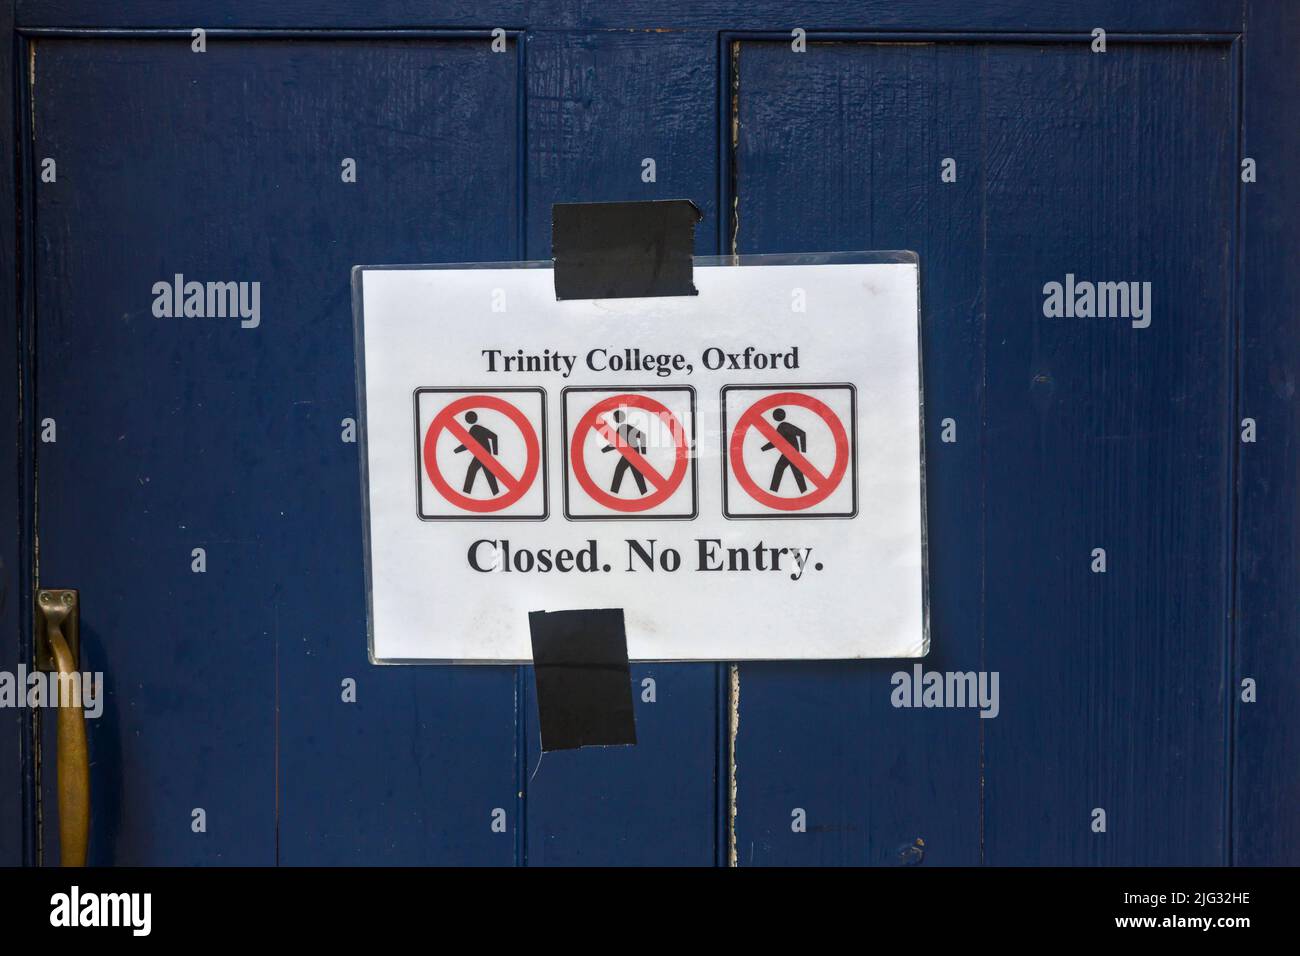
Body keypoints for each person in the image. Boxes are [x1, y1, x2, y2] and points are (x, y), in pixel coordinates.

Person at [602, 409, 649, 495]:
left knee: (619, 470)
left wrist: (643, 451)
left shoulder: (624, 427)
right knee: (636, 473)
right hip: (631, 453)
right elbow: (616, 443)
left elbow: (642, 435)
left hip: (631, 453)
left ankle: (614, 492)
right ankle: (644, 492)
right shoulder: (623, 427)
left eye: (615, 417)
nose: (614, 418)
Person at [454, 410, 501, 495]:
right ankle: (496, 493)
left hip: (482, 455)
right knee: (488, 473)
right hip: (483, 455)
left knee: (472, 470)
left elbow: (468, 444)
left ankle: (466, 492)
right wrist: (494, 453)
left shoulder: (474, 429)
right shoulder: (476, 428)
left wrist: (456, 451)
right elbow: (494, 436)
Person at [761, 408, 807, 493]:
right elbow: (776, 442)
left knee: (780, 468)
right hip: (789, 453)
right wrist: (763, 449)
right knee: (795, 471)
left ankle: (773, 491)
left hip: (791, 453)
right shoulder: (783, 426)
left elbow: (802, 433)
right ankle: (804, 491)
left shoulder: (783, 426)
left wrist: (803, 450)